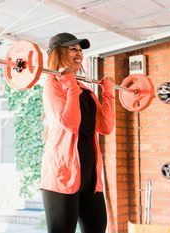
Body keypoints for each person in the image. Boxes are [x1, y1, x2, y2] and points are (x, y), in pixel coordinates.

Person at [41, 32, 115, 233]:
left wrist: (108, 93)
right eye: (73, 48)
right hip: (63, 175)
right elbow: (70, 123)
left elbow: (105, 127)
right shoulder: (53, 86)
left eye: (80, 50)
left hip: (89, 176)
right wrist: (69, 85)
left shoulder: (84, 89)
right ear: (58, 53)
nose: (79, 54)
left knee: (97, 229)